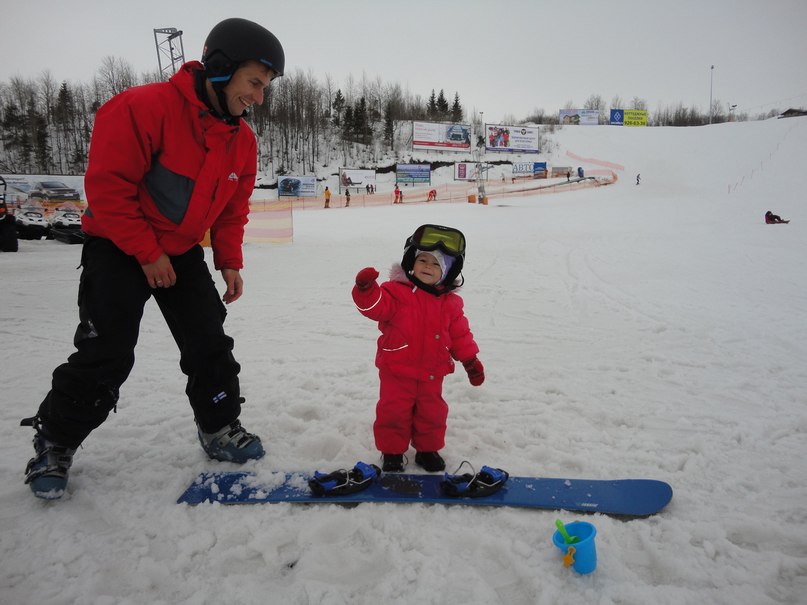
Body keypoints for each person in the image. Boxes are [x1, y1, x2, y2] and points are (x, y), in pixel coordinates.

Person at [20, 18, 285, 500]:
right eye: (254, 83)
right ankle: (54, 441)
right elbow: (108, 190)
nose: (259, 98)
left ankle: (219, 427)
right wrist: (146, 253)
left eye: (264, 88)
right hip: (120, 246)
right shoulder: (143, 108)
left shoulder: (242, 141)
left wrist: (229, 259)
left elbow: (232, 209)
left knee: (209, 341)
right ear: (221, 68)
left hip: (180, 253)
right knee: (107, 350)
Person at [352, 224, 485, 473]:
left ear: (447, 273)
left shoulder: (450, 304)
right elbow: (374, 307)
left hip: (432, 373)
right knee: (393, 411)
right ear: (411, 262)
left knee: (432, 413)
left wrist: (470, 361)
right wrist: (366, 290)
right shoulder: (395, 292)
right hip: (397, 370)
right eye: (423, 260)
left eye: (436, 265)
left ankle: (427, 450)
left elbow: (460, 334)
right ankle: (391, 452)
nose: (428, 267)